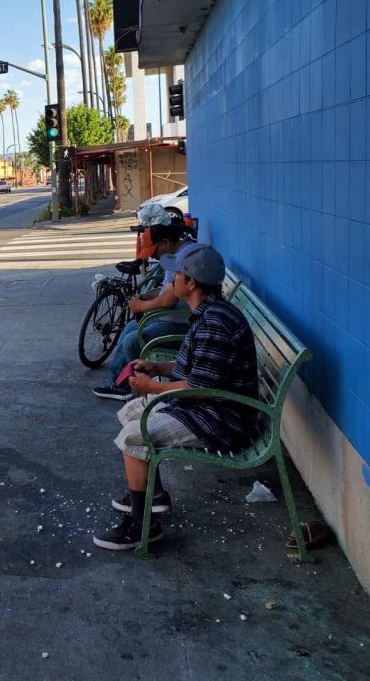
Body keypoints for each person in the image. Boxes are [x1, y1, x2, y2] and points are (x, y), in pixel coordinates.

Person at [93, 243, 258, 551]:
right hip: (210, 405)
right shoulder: (206, 312)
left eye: (176, 275)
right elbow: (194, 371)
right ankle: (151, 494)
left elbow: (197, 388)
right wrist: (157, 367)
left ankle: (142, 528)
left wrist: (153, 388)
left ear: (191, 283)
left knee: (133, 437)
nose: (171, 282)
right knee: (131, 412)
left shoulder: (214, 324)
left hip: (223, 418)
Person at [93, 224, 192, 401]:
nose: (152, 257)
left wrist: (141, 307)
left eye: (154, 251)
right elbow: (166, 291)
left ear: (166, 243)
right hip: (172, 318)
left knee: (132, 341)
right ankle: (119, 381)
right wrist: (144, 297)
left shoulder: (182, 259)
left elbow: (168, 300)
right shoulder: (175, 257)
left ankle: (129, 386)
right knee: (131, 327)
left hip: (179, 322)